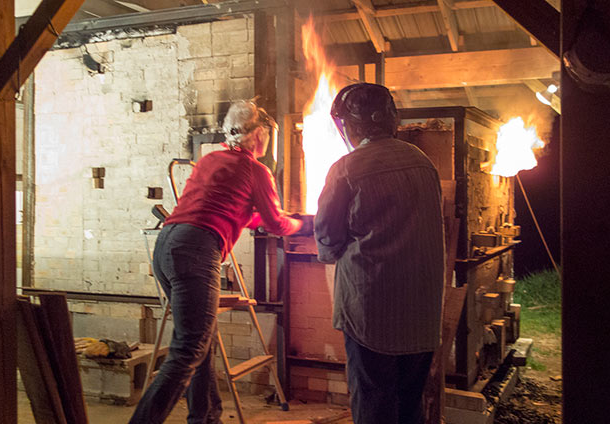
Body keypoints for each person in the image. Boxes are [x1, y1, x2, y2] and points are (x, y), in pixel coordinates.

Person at [130, 100, 302, 424]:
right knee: (188, 350)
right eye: (266, 133)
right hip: (196, 250)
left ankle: (206, 418)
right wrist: (302, 224)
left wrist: (259, 218)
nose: (267, 140)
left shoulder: (210, 160)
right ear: (258, 134)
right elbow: (276, 223)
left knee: (201, 342)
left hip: (167, 245)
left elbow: (228, 208)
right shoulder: (256, 170)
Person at [314, 83, 445, 424]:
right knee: (410, 404)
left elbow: (327, 237)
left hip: (372, 312)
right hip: (422, 312)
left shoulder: (347, 168)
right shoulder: (424, 163)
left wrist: (333, 251)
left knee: (374, 404)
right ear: (391, 119)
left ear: (351, 125)